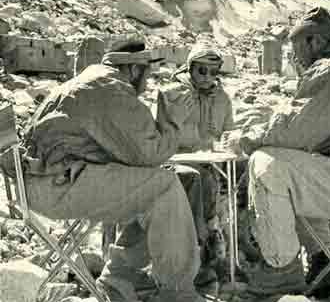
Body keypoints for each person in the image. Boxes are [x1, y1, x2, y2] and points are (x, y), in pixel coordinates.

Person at [220, 7, 330, 296]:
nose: (296, 59)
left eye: (296, 51)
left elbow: (293, 129)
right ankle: (324, 260)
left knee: (268, 164)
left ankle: (281, 270)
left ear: (314, 43)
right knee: (305, 168)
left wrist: (245, 140)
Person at [22, 38, 204, 302]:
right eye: (147, 74)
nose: (147, 81)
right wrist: (172, 121)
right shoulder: (113, 90)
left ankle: (119, 278)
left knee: (151, 188)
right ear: (133, 69)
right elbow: (150, 154)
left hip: (41, 183)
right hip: (57, 187)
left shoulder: (93, 81)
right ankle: (179, 293)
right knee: (164, 185)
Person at [157, 41, 234, 286]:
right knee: (199, 181)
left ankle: (240, 257)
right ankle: (198, 258)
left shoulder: (222, 99)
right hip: (176, 163)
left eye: (214, 72)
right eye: (202, 71)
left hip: (212, 161)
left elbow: (229, 132)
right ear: (190, 68)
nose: (208, 77)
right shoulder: (173, 94)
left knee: (243, 178)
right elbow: (160, 135)